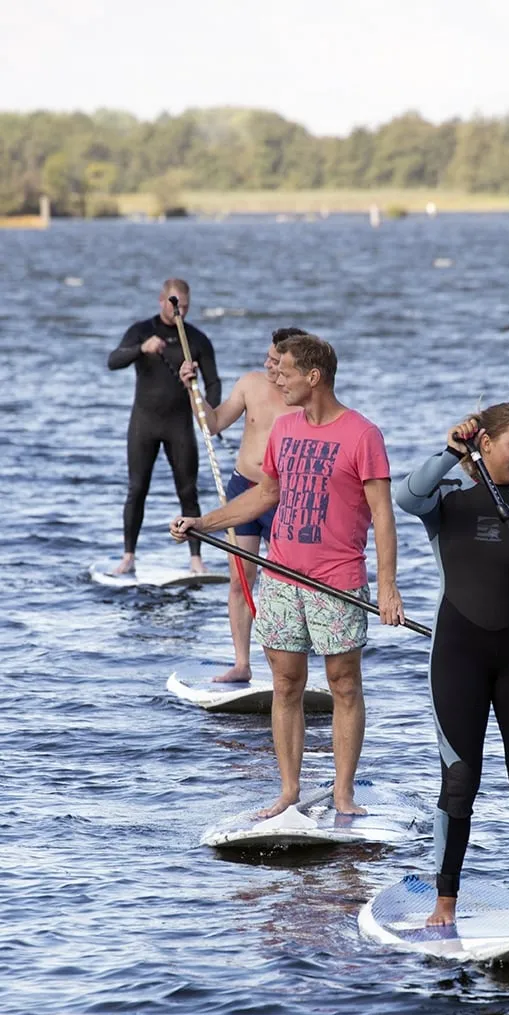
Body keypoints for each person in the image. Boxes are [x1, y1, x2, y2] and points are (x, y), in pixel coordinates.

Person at [171, 334, 404, 816]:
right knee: (286, 684)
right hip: (281, 577)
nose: (276, 378)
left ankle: (343, 793)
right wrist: (203, 523)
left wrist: (386, 586)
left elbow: (383, 515)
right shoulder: (285, 429)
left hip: (337, 581)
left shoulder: (363, 434)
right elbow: (265, 495)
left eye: (286, 372)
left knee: (343, 684)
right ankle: (289, 791)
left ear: (313, 377)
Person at [395, 403, 509, 927]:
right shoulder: (446, 499)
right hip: (459, 651)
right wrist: (450, 451)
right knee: (460, 778)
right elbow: (404, 495)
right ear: (485, 443)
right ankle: (445, 902)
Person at [178, 327, 307, 682]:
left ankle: (290, 667)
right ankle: (241, 663)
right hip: (241, 488)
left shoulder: (303, 400)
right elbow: (214, 420)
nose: (268, 364)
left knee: (286, 582)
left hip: (283, 495)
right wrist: (194, 390)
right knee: (240, 580)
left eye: (276, 361)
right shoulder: (250, 384)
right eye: (266, 357)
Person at [108, 278, 221, 575]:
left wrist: (209, 416)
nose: (178, 312)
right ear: (161, 301)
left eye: (183, 307)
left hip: (179, 424)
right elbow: (113, 360)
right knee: (137, 488)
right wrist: (140, 349)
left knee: (188, 491)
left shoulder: (195, 339)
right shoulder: (141, 331)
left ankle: (196, 559)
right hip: (144, 423)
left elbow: (214, 383)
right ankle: (128, 556)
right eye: (174, 306)